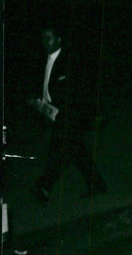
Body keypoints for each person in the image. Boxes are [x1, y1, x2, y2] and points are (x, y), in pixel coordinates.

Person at [29, 24, 106, 205]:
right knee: (76, 152)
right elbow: (46, 86)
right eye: (43, 38)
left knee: (60, 153)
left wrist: (91, 114)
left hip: (69, 117)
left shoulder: (68, 61)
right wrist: (39, 102)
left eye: (49, 38)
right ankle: (98, 184)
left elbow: (79, 90)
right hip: (55, 115)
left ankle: (45, 187)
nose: (45, 42)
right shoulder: (45, 60)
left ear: (58, 39)